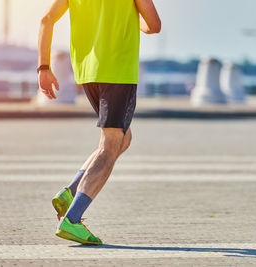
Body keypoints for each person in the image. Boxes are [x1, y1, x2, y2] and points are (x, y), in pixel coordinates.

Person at [37, 0, 161, 245]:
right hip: (117, 70)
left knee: (123, 139)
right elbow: (154, 25)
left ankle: (70, 192)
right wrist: (131, 20)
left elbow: (46, 20)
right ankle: (72, 219)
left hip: (87, 71)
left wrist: (43, 67)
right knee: (111, 144)